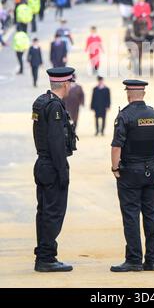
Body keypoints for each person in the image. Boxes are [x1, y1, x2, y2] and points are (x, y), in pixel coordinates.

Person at [110, 79, 154, 272]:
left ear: (128, 93)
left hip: (130, 173)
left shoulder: (124, 116)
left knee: (131, 215)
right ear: (143, 93)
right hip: (151, 170)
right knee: (150, 214)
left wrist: (115, 169)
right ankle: (152, 260)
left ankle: (134, 259)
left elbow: (116, 146)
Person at [32, 67, 78, 272]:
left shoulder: (41, 102)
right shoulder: (56, 108)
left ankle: (44, 254)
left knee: (43, 212)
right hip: (52, 165)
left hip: (42, 163)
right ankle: (46, 258)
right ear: (66, 84)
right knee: (53, 213)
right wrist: (63, 172)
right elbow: (57, 142)